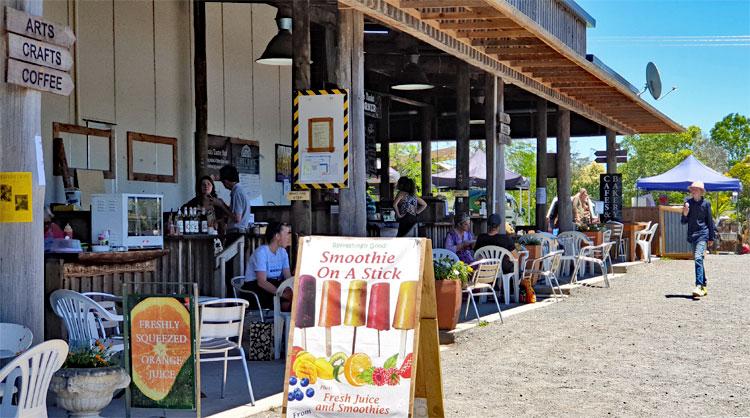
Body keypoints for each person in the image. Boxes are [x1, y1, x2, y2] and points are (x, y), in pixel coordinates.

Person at [243, 222, 293, 310]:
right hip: (256, 288)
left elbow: (288, 278)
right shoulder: (261, 252)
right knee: (285, 302)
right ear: (277, 236)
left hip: (273, 286)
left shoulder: (283, 252)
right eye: (287, 233)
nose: (289, 237)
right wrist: (282, 294)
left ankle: (286, 321)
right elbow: (262, 282)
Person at [681, 181, 715, 298]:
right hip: (692, 235)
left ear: (701, 192)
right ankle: (704, 285)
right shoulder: (688, 204)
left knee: (698, 257)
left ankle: (699, 286)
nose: (693, 191)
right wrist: (685, 213)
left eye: (696, 189)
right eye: (692, 189)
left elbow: (710, 221)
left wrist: (711, 237)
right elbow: (683, 221)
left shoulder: (706, 204)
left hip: (703, 234)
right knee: (698, 259)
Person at [217, 164, 253, 232]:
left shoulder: (237, 192)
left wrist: (222, 205)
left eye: (222, 182)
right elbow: (234, 213)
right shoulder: (239, 190)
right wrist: (222, 204)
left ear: (226, 181)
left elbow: (237, 218)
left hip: (236, 231)